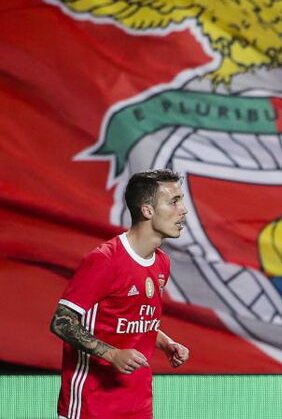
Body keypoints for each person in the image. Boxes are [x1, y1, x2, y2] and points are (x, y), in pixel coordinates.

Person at [50, 169, 190, 419]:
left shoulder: (162, 263)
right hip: (90, 407)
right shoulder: (105, 260)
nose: (183, 210)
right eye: (174, 201)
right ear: (147, 210)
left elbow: (133, 319)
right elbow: (62, 322)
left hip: (138, 405)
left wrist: (166, 344)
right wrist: (112, 354)